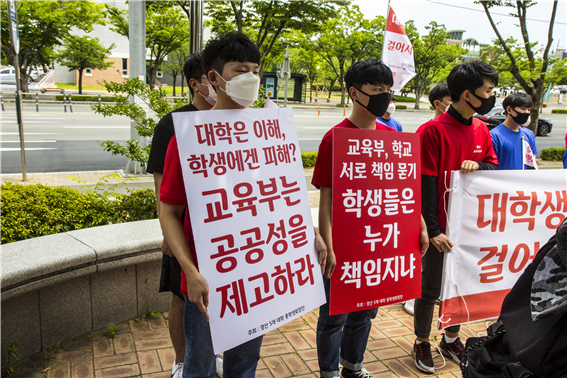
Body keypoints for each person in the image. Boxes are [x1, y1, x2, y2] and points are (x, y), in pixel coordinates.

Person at [158, 32, 327, 378]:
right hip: (208, 279)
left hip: (255, 275)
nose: (251, 78)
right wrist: (190, 270)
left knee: (244, 364)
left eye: (255, 69)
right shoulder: (187, 139)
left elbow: (281, 197)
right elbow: (169, 211)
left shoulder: (269, 133)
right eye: (240, 71)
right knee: (200, 366)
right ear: (215, 78)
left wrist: (309, 232)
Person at [312, 59, 429, 378]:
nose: (384, 98)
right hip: (345, 245)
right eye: (377, 90)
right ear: (354, 92)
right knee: (335, 315)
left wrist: (419, 225)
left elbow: (404, 190)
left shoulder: (393, 137)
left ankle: (353, 365)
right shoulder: (335, 138)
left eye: (388, 91)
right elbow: (326, 200)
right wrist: (330, 247)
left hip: (380, 244)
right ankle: (328, 371)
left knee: (366, 310)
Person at [414, 60, 499, 374]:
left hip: (468, 228)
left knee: (462, 284)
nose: (492, 96)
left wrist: (480, 166)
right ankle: (422, 340)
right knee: (430, 287)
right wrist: (433, 230)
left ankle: (451, 338)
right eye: (488, 90)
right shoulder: (431, 131)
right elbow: (425, 183)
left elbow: (493, 165)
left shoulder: (480, 129)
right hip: (440, 230)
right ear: (468, 94)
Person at [146, 51, 215, 378]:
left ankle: (210, 354)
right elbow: (162, 188)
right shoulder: (172, 124)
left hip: (221, 230)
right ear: (196, 83)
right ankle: (181, 360)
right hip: (184, 231)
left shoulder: (228, 120)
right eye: (211, 78)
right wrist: (167, 235)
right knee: (181, 295)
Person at [402, 82, 453, 318]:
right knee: (424, 263)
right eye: (450, 100)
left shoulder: (474, 129)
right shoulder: (428, 131)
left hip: (450, 217)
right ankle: (414, 298)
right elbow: (420, 181)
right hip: (426, 215)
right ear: (438, 104)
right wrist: (427, 224)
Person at [490, 92, 537, 170]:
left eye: (529, 110)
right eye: (523, 109)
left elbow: (532, 163)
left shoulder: (529, 134)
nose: (527, 113)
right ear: (509, 110)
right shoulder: (494, 136)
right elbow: (491, 166)